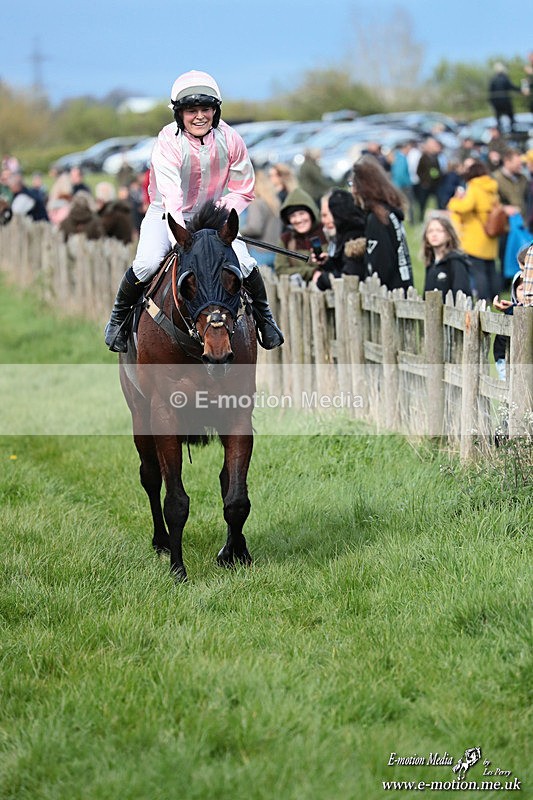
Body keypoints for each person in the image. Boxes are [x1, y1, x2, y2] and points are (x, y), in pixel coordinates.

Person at [104, 70, 283, 352]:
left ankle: (266, 321)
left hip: (213, 216)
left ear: (215, 111)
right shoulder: (168, 141)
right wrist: (184, 241)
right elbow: (172, 197)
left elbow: (244, 188)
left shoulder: (231, 139)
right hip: (168, 214)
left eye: (206, 109)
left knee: (247, 264)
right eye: (191, 111)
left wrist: (217, 218)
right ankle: (118, 321)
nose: (199, 116)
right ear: (179, 113)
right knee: (147, 263)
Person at [349, 155, 413, 291]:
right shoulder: (389, 212)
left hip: (390, 295)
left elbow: (381, 265)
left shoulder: (377, 219)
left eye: (353, 184)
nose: (352, 190)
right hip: (403, 287)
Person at [447, 159, 500, 301]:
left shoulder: (474, 187)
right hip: (490, 233)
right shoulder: (492, 187)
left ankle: (484, 299)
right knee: (491, 268)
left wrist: (454, 202)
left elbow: (465, 206)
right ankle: (496, 296)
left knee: (478, 271)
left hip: (475, 235)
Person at [313, 189, 367, 290]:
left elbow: (349, 278)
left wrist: (322, 280)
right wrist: (328, 263)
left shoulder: (355, 239)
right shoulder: (342, 237)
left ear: (339, 212)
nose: (323, 221)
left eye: (325, 215)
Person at [273, 186, 327, 285]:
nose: (298, 220)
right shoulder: (286, 239)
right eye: (293, 216)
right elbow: (281, 270)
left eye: (302, 213)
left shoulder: (326, 234)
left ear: (311, 213)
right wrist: (311, 272)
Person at [421, 213, 471, 301]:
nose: (434, 234)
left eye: (439, 230)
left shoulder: (456, 261)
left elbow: (462, 294)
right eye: (430, 231)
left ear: (448, 235)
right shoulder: (430, 264)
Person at [239, 168, 282, 270]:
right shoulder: (274, 202)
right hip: (274, 250)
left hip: (259, 251)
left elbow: (255, 228)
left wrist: (238, 232)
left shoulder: (256, 203)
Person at [493, 268, 525, 380]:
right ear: (514, 293)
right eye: (521, 289)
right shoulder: (511, 311)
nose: (526, 293)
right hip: (506, 360)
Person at [488, 62, 523, 133]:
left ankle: (500, 131)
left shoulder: (493, 79)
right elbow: (511, 87)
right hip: (505, 101)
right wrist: (520, 90)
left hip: (496, 103)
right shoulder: (504, 78)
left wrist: (491, 102)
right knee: (511, 116)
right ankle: (513, 130)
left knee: (498, 118)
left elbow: (490, 92)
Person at [416, 136, 444, 218]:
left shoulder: (435, 157)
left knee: (438, 201)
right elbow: (419, 171)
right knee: (423, 202)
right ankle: (420, 217)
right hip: (425, 184)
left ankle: (439, 215)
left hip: (435, 183)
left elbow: (437, 169)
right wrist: (423, 181)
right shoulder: (423, 157)